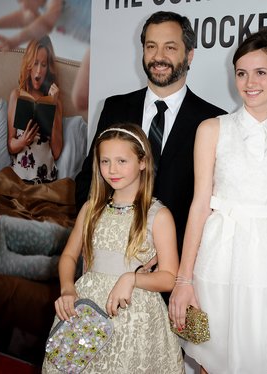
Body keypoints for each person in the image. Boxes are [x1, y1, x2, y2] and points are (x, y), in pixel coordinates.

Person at [169, 30, 267, 374]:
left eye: (261, 72)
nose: (250, 82)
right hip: (216, 257)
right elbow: (199, 205)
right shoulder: (212, 128)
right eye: (242, 73)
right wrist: (184, 280)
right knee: (209, 361)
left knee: (263, 358)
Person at [75, 11, 226, 253]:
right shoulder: (114, 108)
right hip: (111, 254)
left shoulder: (214, 121)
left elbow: (215, 203)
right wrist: (96, 237)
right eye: (151, 46)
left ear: (189, 55)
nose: (158, 57)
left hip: (176, 262)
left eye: (170, 48)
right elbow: (89, 181)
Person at [42, 124, 184, 373]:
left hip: (136, 317)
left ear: (142, 162)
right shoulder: (91, 209)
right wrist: (67, 289)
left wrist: (132, 279)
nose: (112, 170)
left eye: (121, 161)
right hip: (86, 312)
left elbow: (170, 277)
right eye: (105, 161)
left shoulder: (158, 215)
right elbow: (68, 256)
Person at [0, 172, 70, 281]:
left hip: (0, 228)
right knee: (47, 266)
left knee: (53, 235)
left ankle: (84, 242)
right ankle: (84, 269)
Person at [7, 36, 63, 183]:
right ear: (28, 65)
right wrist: (23, 141)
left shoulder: (56, 102)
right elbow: (11, 146)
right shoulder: (17, 95)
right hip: (20, 178)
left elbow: (56, 152)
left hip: (46, 180)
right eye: (35, 63)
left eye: (43, 65)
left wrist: (54, 104)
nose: (38, 71)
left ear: (48, 68)